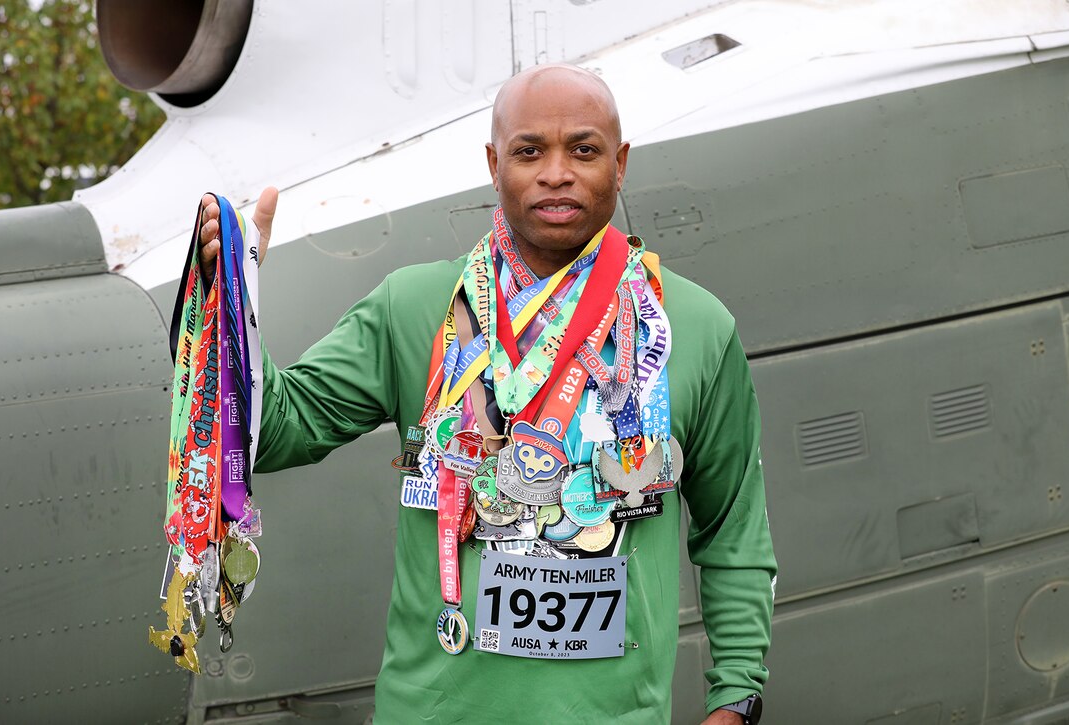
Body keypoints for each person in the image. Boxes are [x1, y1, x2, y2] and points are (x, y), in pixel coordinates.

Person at [196, 64, 775, 725]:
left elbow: (733, 530)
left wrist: (736, 696)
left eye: (583, 150)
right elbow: (273, 433)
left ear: (620, 164)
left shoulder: (692, 328)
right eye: (530, 151)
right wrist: (228, 312)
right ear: (494, 164)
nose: (556, 172)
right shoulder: (413, 309)